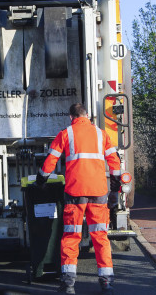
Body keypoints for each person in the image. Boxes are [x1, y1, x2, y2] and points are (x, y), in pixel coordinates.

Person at [36, 103, 121, 295]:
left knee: (71, 237)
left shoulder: (65, 133)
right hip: (99, 192)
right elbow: (115, 161)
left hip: (75, 193)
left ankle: (68, 284)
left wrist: (41, 179)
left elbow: (51, 161)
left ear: (70, 117)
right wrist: (115, 188)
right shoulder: (101, 134)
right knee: (100, 237)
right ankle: (106, 283)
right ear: (88, 116)